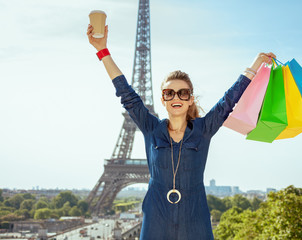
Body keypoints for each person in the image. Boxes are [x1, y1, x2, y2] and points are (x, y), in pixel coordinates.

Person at [87, 24, 275, 240]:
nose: (176, 97)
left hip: (194, 219)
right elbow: (126, 94)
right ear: (163, 99)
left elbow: (228, 101)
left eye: (183, 92)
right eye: (170, 93)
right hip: (157, 217)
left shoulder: (204, 130)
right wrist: (102, 50)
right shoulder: (151, 128)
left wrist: (255, 63)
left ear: (190, 99)